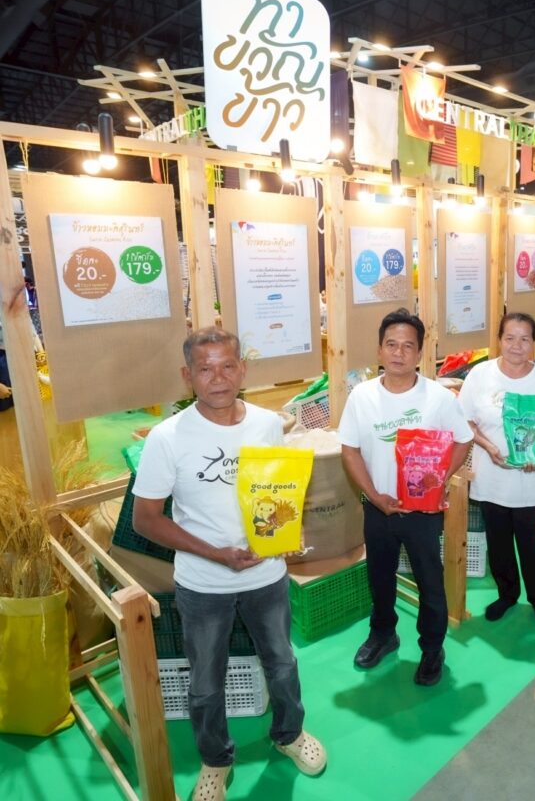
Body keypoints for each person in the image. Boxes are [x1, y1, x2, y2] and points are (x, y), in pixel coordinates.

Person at [133, 328, 326, 799]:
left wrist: (288, 531)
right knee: (204, 681)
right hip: (202, 583)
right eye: (205, 368)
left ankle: (289, 734)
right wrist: (216, 554)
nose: (217, 378)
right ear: (187, 375)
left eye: (227, 366)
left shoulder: (266, 424)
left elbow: (275, 491)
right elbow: (145, 520)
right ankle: (215, 760)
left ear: (242, 370)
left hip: (267, 576)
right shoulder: (167, 438)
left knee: (282, 662)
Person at [338, 308, 472, 687]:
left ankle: (432, 649)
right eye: (391, 345)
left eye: (407, 346)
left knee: (430, 582)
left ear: (420, 353)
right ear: (379, 350)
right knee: (379, 577)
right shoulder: (362, 396)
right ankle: (383, 634)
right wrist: (373, 495)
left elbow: (463, 440)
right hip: (377, 508)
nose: (398, 353)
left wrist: (438, 481)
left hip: (422, 512)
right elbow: (349, 450)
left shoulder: (438, 398)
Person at [458, 312, 535, 631]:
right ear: (499, 340)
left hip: (530, 478)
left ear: (534, 343)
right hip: (491, 477)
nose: (517, 346)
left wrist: (533, 450)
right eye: (510, 338)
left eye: (525, 339)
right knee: (499, 541)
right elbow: (465, 420)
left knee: (530, 542)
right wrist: (489, 447)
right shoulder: (480, 375)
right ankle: (507, 594)